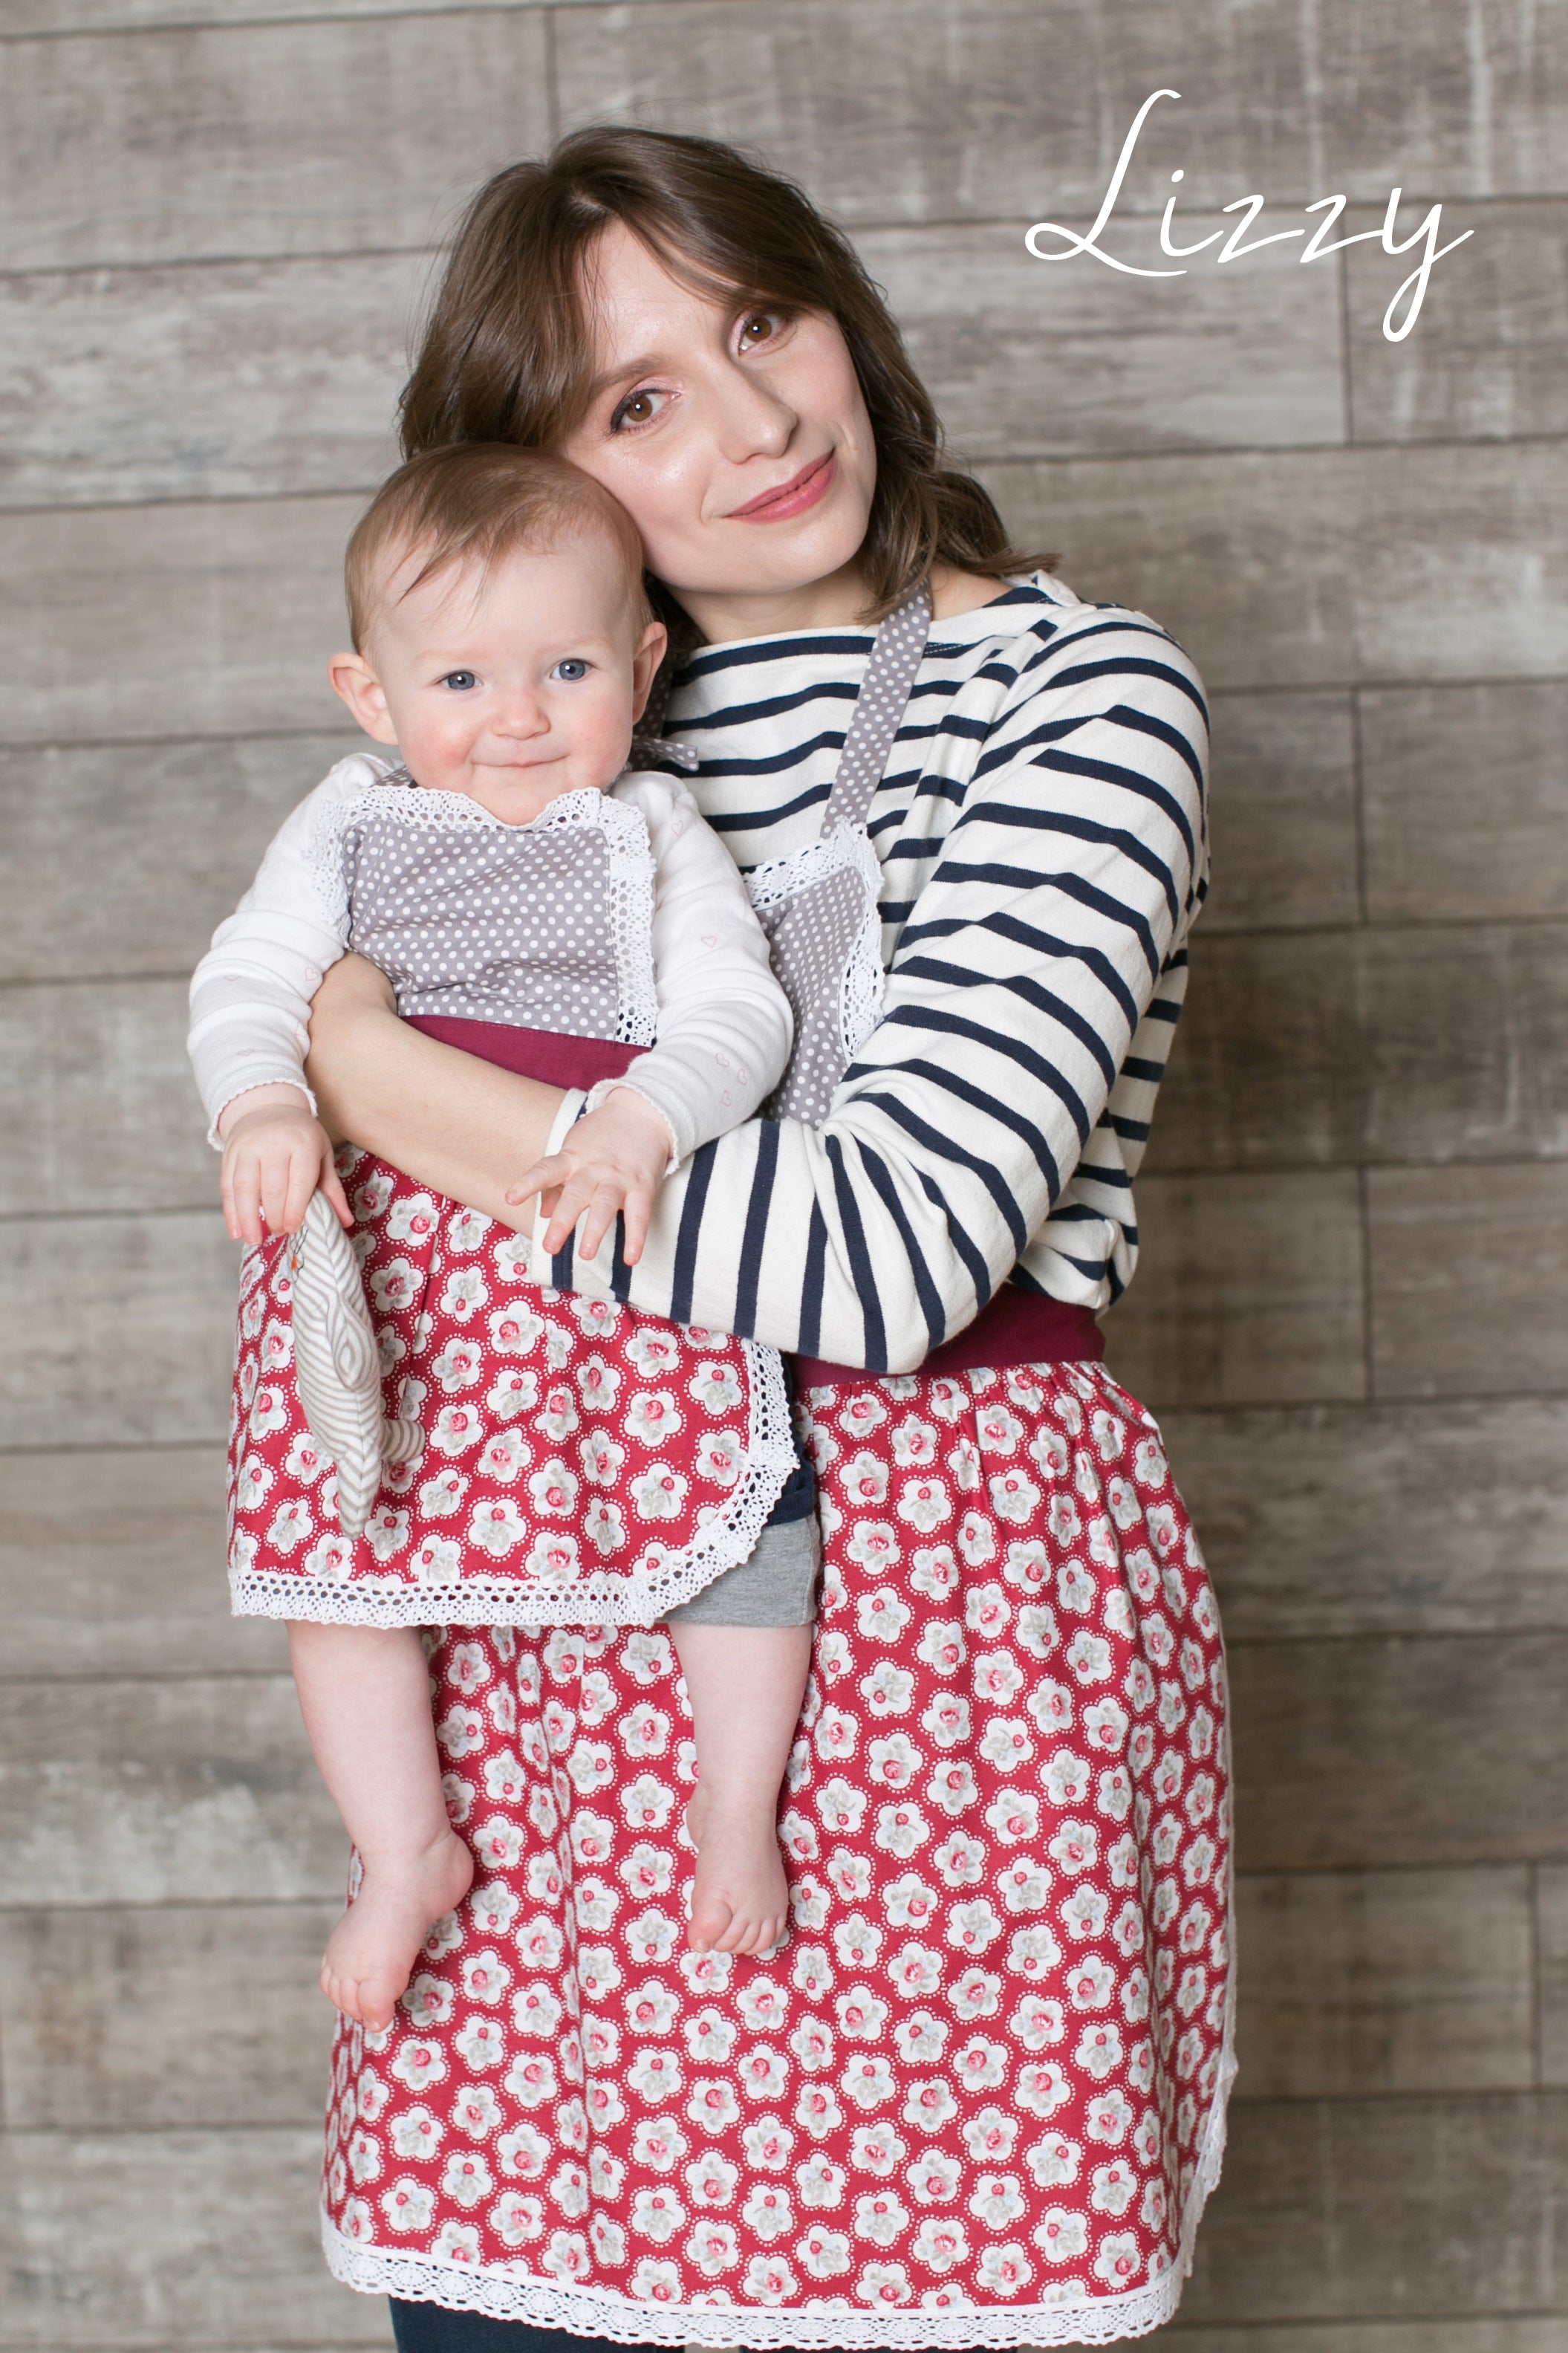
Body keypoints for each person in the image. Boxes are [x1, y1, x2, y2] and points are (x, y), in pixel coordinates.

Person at [296, 127, 1232, 2351]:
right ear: (528, 475)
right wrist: (317, 1071)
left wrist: (383, 1076)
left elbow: (900, 1260)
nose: (756, 422)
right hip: (550, 1632)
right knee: (518, 2310)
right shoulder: (538, 723)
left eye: (761, 322)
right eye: (639, 402)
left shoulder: (1080, 695)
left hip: (945, 1639)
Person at [189, 442, 822, 2028]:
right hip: (400, 1277)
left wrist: (645, 1117)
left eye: (569, 670)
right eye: (462, 678)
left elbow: (739, 1010)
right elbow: (250, 979)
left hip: (604, 1236)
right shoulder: (349, 825)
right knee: (342, 1571)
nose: (521, 716)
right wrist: (261, 1104)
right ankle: (404, 1847)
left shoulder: (652, 829)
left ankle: (732, 1803)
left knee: (746, 1523)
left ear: (644, 667)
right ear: (372, 694)